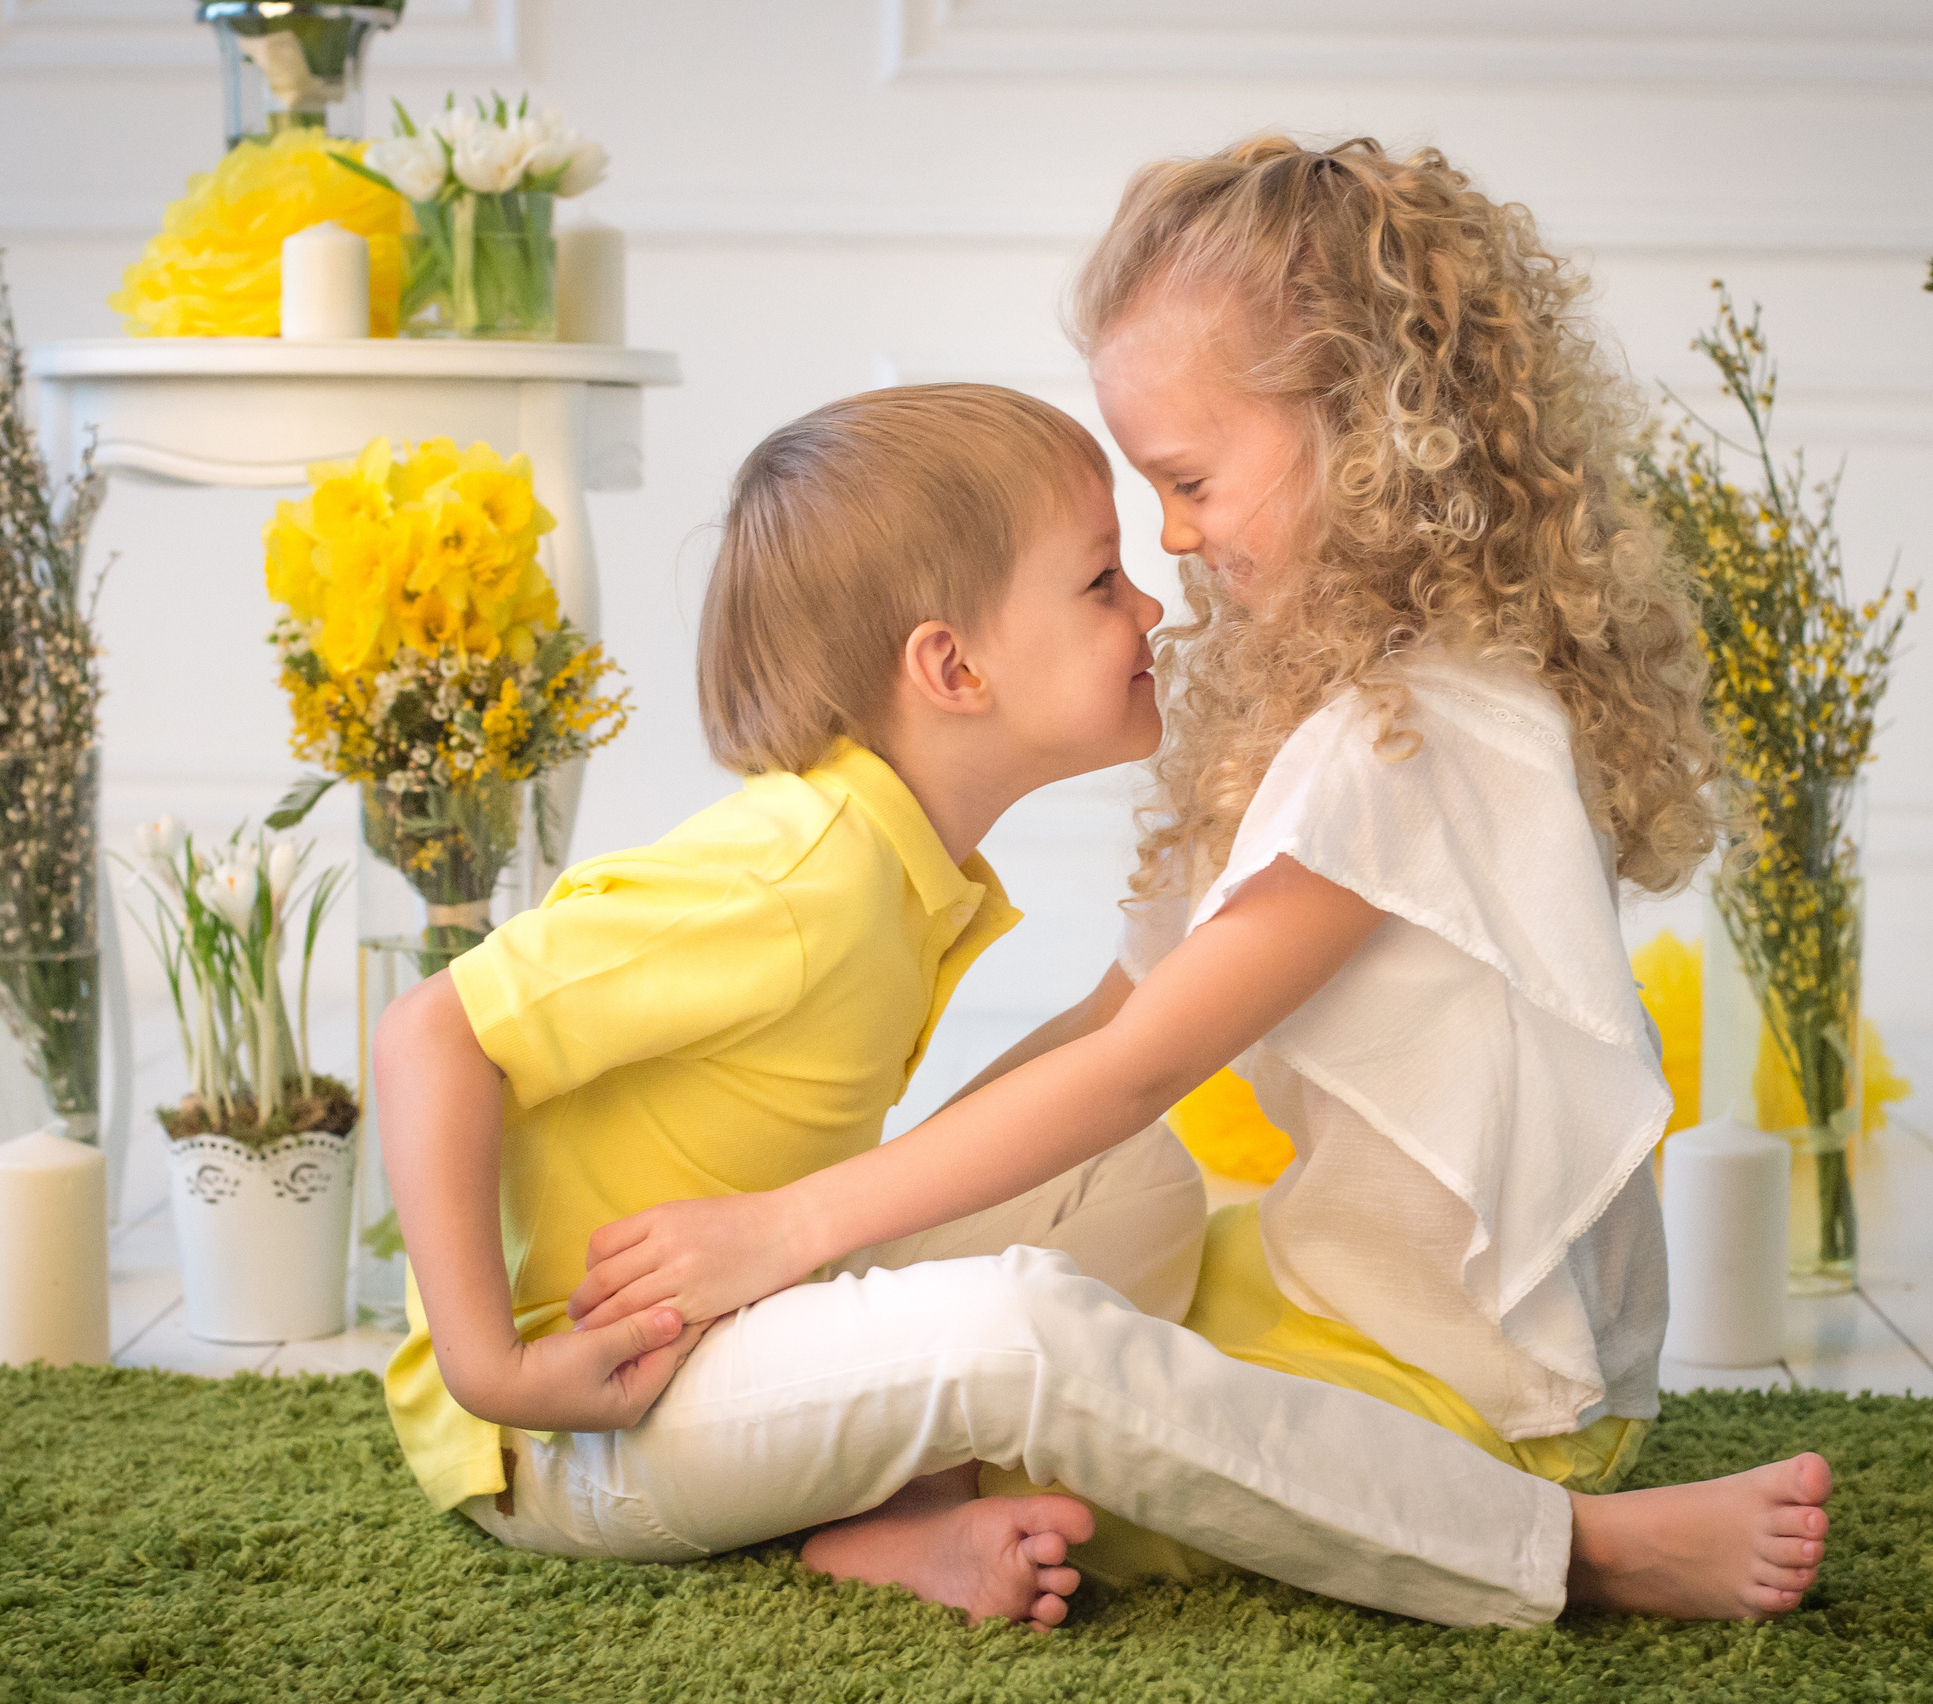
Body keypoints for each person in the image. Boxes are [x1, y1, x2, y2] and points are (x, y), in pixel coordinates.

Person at [567, 137, 1834, 1623]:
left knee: (1074, 1363)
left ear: (1367, 428)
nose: (1169, 539)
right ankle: (896, 1511)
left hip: (1470, 1383)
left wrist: (795, 1234)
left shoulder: (1416, 741)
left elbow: (1133, 1067)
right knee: (1094, 1230)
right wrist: (841, 1242)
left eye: (1188, 479)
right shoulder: (1343, 702)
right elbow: (1106, 1028)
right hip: (1325, 1289)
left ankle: (1572, 1545)